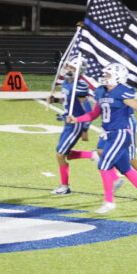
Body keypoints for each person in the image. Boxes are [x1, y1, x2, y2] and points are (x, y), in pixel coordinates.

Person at [66, 63, 137, 214]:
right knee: (125, 168)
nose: (104, 76)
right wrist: (77, 119)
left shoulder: (122, 91)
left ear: (117, 76)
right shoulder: (101, 91)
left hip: (121, 133)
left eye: (108, 74)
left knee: (104, 164)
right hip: (108, 134)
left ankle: (109, 202)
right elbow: (94, 114)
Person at [48, 57, 95, 195]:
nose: (68, 69)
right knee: (66, 153)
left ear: (79, 70)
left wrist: (85, 129)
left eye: (72, 68)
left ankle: (64, 186)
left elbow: (88, 109)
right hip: (67, 122)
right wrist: (55, 99)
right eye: (68, 66)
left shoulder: (79, 85)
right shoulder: (66, 82)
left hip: (76, 123)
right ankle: (93, 155)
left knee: (60, 154)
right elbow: (67, 100)